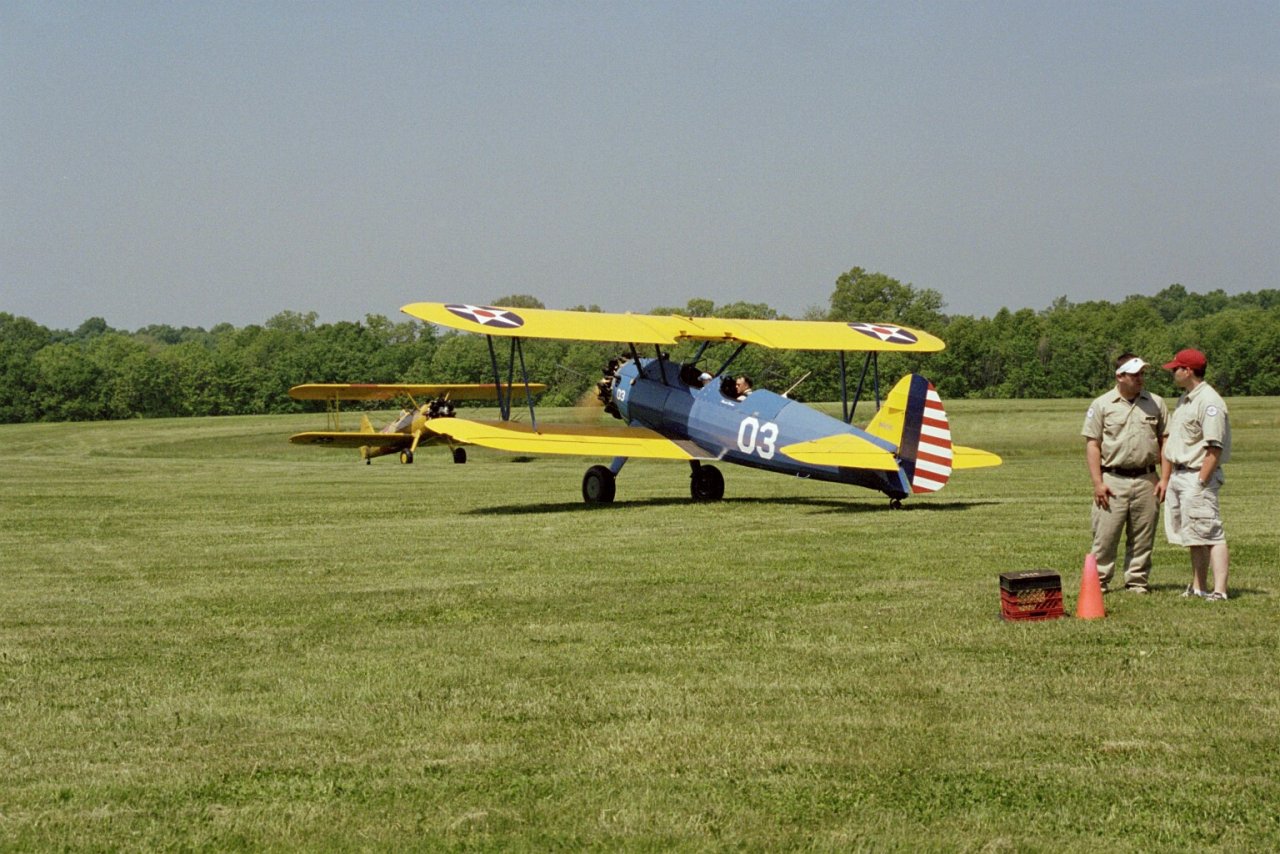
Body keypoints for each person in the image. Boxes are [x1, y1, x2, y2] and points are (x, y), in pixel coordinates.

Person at [1082, 354, 1169, 593]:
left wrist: (1164, 478)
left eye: (1142, 374)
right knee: (1105, 535)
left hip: (1147, 478)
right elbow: (1093, 444)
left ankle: (1137, 582)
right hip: (1112, 478)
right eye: (1134, 374)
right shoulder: (1101, 404)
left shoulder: (1156, 403)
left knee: (1143, 535)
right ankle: (1098, 582)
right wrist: (1097, 482)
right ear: (1120, 376)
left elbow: (1165, 441)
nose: (1140, 378)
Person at [1160, 348, 1232, 601]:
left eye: (1176, 369)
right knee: (1193, 534)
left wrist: (1202, 480)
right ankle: (1198, 586)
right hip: (1181, 474)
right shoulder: (1186, 398)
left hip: (1196, 474)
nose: (1173, 373)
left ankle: (1220, 590)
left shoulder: (1209, 402)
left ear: (1188, 371)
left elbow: (1214, 447)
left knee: (1211, 533)